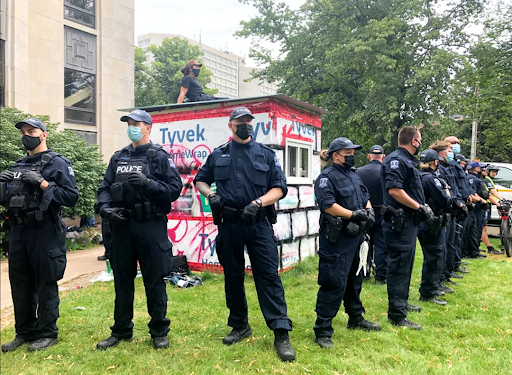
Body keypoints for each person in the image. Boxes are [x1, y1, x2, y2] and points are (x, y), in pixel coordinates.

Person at [193, 107, 295, 362]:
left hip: (258, 223)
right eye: (239, 122)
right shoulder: (219, 155)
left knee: (268, 276)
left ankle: (281, 331)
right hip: (229, 224)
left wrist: (259, 202)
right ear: (231, 125)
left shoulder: (266, 154)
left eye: (248, 122)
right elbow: (200, 180)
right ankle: (240, 325)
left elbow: (280, 188)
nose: (245, 126)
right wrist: (210, 195)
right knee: (233, 276)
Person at [95, 109, 182, 350]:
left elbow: (175, 188)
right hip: (122, 226)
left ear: (148, 128)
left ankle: (159, 331)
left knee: (154, 280)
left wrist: (149, 183)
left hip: (150, 226)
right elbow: (105, 187)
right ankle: (121, 330)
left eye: (137, 123)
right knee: (122, 280)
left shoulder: (159, 156)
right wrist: (105, 209)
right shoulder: (118, 157)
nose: (132, 126)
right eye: (129, 123)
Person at [0, 118, 79, 352]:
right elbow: (8, 200)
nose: (26, 135)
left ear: (43, 134)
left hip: (45, 231)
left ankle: (47, 333)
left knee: (45, 282)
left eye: (31, 131)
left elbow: (70, 197)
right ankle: (24, 332)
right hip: (18, 231)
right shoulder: (17, 165)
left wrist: (44, 183)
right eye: (23, 132)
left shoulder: (58, 164)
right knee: (20, 284)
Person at [313, 137, 381, 349]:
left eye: (353, 153)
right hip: (337, 239)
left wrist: (368, 210)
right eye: (347, 153)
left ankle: (356, 317)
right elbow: (327, 205)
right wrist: (353, 214)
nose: (352, 156)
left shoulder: (354, 175)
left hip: (357, 237)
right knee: (333, 282)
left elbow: (365, 196)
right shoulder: (327, 178)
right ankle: (323, 330)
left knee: (355, 279)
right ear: (336, 156)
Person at [380, 126, 434, 330]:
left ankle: (401, 303)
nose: (421, 143)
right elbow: (395, 190)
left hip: (409, 222)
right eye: (420, 140)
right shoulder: (397, 160)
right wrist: (419, 206)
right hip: (399, 222)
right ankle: (396, 313)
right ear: (414, 141)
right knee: (399, 266)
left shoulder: (408, 160)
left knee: (406, 265)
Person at [417, 149, 452, 305]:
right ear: (435, 162)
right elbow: (445, 201)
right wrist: (447, 191)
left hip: (421, 221)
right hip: (433, 222)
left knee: (430, 256)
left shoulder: (417, 176)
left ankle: (431, 288)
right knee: (434, 256)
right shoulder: (432, 179)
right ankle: (429, 292)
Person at [429, 141, 465, 285]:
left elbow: (454, 188)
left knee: (450, 243)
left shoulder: (449, 167)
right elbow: (444, 191)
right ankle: (441, 278)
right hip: (444, 210)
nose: (452, 152)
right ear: (440, 153)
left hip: (453, 209)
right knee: (442, 246)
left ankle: (446, 274)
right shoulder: (439, 170)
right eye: (449, 149)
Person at [356, 145, 387, 284]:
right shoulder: (385, 172)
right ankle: (380, 275)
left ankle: (364, 271)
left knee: (364, 241)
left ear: (369, 157)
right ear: (383, 157)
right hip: (381, 212)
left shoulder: (359, 172)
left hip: (365, 212)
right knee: (381, 244)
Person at [444, 138, 471, 275]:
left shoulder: (454, 164)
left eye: (458, 143)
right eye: (453, 143)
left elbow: (461, 185)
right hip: (454, 206)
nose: (457, 146)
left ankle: (454, 264)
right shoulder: (449, 165)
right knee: (450, 240)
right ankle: (449, 268)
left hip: (461, 203)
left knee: (456, 238)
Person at [464, 161, 489, 259]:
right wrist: (483, 201)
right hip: (477, 207)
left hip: (474, 206)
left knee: (471, 230)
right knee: (475, 229)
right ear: (476, 169)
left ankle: (471, 250)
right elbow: (475, 193)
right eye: (480, 168)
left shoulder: (467, 178)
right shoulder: (475, 180)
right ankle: (473, 251)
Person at [481, 165, 504, 255]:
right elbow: (492, 192)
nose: (494, 173)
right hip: (485, 204)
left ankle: (477, 246)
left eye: (496, 172)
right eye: (493, 171)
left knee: (483, 227)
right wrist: (502, 199)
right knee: (483, 227)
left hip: (488, 204)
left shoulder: (489, 180)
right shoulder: (487, 180)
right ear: (488, 171)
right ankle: (489, 248)